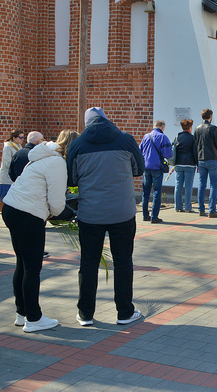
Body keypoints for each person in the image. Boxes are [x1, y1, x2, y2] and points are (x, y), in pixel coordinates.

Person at [67, 107, 145, 327]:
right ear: (106, 119)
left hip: (90, 214)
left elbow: (71, 179)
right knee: (123, 262)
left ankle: (85, 313)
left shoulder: (77, 145)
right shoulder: (126, 140)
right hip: (122, 212)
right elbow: (139, 168)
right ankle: (124, 312)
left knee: (88, 263)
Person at [2, 130, 74, 332]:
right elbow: (57, 202)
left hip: (11, 209)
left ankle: (21, 313)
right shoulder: (58, 163)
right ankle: (34, 318)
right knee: (32, 268)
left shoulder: (42, 156)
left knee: (22, 264)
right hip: (28, 214)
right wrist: (55, 213)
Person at [0, 129, 25, 227]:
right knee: (5, 200)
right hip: (7, 177)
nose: (22, 139)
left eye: (23, 137)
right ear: (14, 138)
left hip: (14, 177)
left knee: (8, 200)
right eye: (20, 137)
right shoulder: (8, 147)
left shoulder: (19, 147)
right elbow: (8, 162)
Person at [139, 120, 173, 223]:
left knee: (145, 192)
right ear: (162, 127)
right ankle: (154, 217)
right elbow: (168, 154)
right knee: (157, 192)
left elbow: (140, 150)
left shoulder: (146, 136)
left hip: (146, 167)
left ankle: (145, 215)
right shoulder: (163, 137)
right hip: (157, 167)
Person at [194, 108, 217, 217]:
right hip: (212, 158)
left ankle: (201, 209)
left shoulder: (197, 129)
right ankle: (212, 210)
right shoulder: (213, 129)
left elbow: (196, 145)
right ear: (210, 116)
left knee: (201, 184)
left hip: (201, 158)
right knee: (213, 184)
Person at [172, 119, 198, 213]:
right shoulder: (192, 138)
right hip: (190, 164)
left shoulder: (177, 137)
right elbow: (195, 152)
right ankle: (188, 207)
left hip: (178, 163)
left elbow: (173, 148)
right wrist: (197, 163)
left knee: (178, 185)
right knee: (188, 186)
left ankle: (177, 206)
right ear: (190, 128)